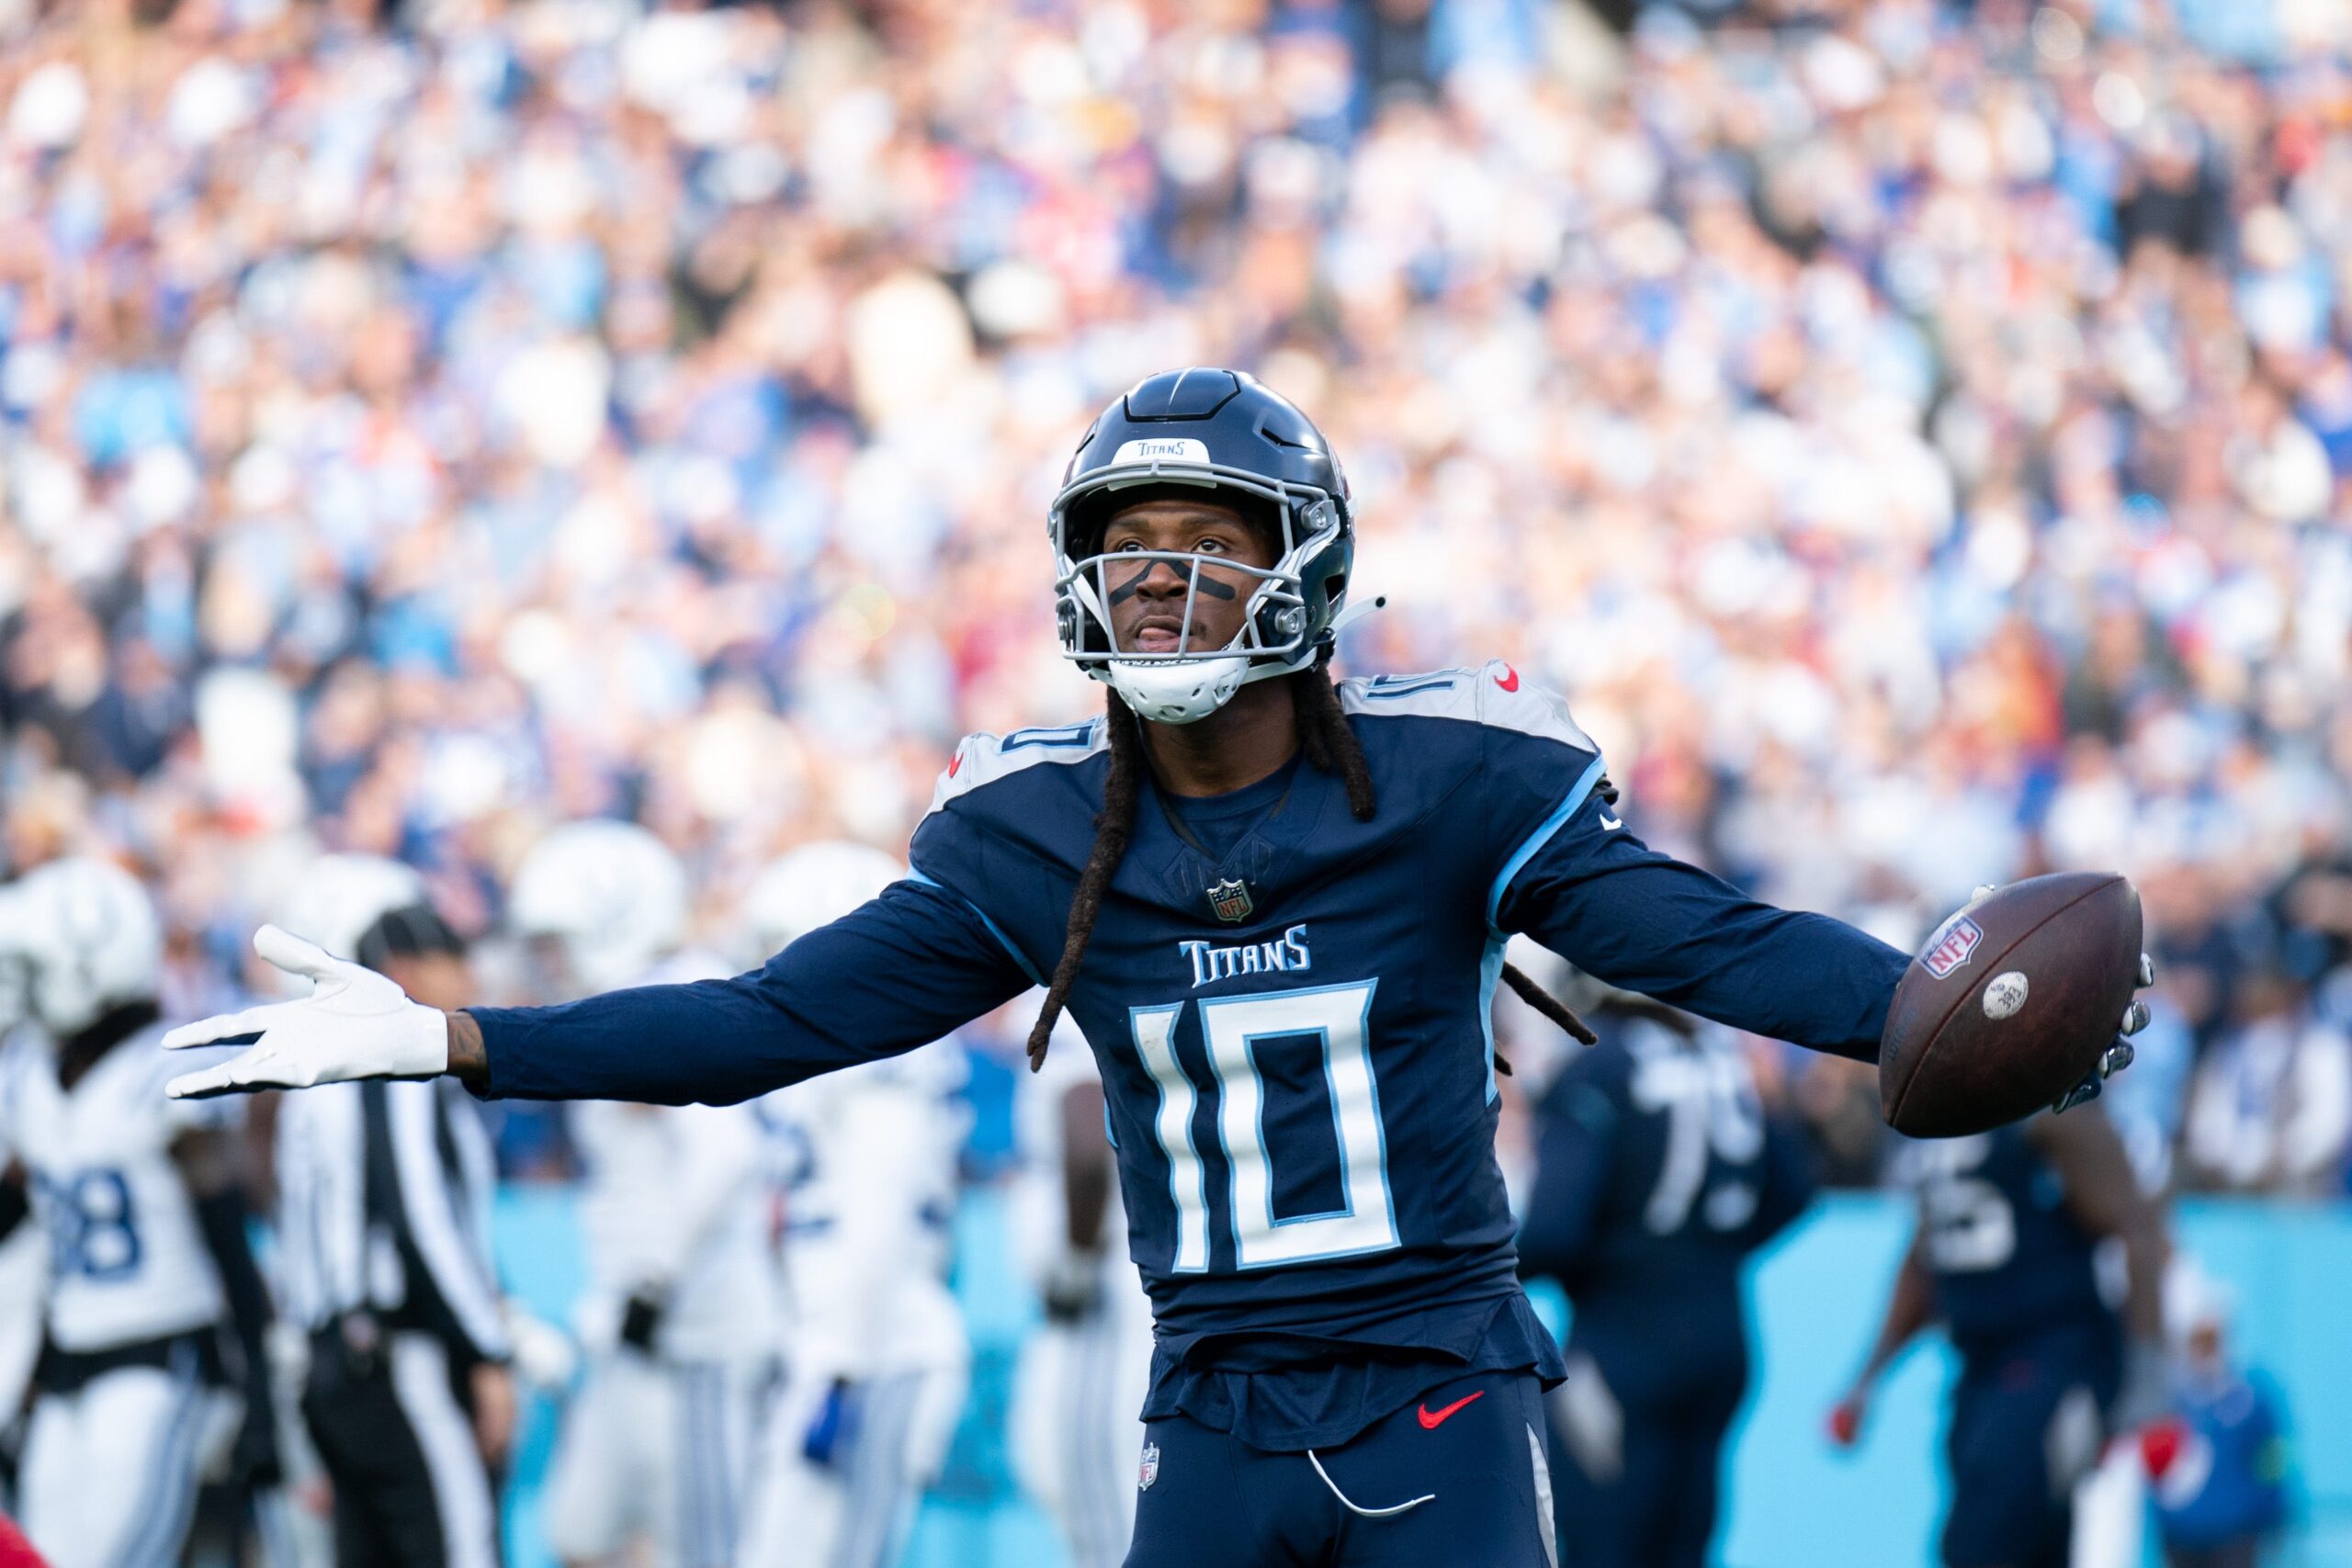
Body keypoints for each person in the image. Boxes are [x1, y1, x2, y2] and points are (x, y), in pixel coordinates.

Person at [162, 370, 2144, 1568]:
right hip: (1201, 1399)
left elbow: (1705, 938)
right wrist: (453, 1034)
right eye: (1125, 548)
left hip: (1439, 1389)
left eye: (1204, 544)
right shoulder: (1025, 835)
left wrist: (1935, 1003)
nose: (1157, 582)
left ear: (1302, 569)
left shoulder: (1453, 783)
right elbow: (764, 1027)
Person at [510, 821, 777, 1568]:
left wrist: (653, 1278)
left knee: (702, 1551)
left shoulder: (675, 995)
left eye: (559, 940)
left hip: (693, 1340)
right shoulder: (637, 995)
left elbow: (726, 1156)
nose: (549, 962)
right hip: (639, 1334)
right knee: (580, 1531)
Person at [0, 858, 279, 1568]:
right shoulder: (30, 1073)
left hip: (160, 1353)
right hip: (64, 1363)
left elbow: (230, 1246)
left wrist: (261, 1392)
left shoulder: (166, 1068)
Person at [731, 842, 972, 1568]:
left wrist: (838, 1368)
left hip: (873, 1353)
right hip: (850, 1341)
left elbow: (877, 1216)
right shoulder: (861, 1060)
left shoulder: (883, 1065)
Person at [1517, 989, 1819, 1568]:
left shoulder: (1597, 1065)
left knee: (1607, 1545)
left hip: (1625, 1348)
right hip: (1720, 1338)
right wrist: (1703, 1254)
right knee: (1686, 1545)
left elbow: (1557, 1229)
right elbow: (1795, 1189)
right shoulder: (1721, 1055)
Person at [272, 855, 512, 1568]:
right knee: (462, 1550)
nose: (465, 973)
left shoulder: (305, 1062)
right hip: (395, 1357)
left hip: (332, 1363)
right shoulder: (390, 1053)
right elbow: (422, 1219)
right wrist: (487, 1352)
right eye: (439, 946)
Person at [1830, 1101, 2171, 1568]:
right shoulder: (1942, 1106)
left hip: (2057, 1356)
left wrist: (2149, 1384)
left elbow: (2138, 1230)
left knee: (1980, 1541)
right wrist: (1867, 1379)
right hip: (1980, 1366)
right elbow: (1930, 1253)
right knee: (2030, 1544)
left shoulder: (2050, 1101)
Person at [1008, 1002, 1155, 1568]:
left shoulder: (1065, 993)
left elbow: (1089, 1144)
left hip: (1106, 1295)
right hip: (1139, 1282)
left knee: (1102, 1515)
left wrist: (1074, 1268)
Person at [2143, 1265, 2291, 1568]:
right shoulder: (2168, 1401)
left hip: (2236, 1538)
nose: (2205, 1350)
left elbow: (2273, 1459)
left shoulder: (2251, 1398)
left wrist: (2274, 1515)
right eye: (2198, 1339)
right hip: (2181, 1539)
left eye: (2212, 1339)